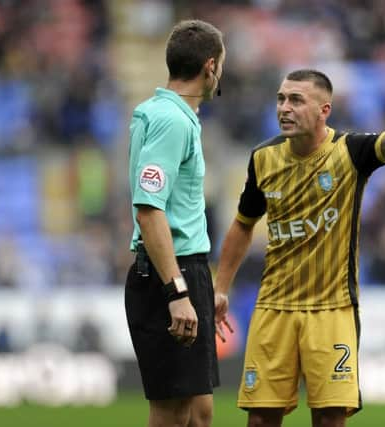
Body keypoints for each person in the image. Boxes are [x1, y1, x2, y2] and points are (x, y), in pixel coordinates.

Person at [214, 64, 385, 427]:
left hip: (331, 310)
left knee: (330, 419)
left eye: (296, 100)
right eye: (281, 99)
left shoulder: (350, 152)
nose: (284, 108)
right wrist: (221, 287)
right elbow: (242, 225)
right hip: (274, 308)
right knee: (260, 420)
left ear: (323, 110)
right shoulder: (262, 158)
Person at [125, 20, 225, 427]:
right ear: (210, 67)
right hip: (172, 273)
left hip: (187, 270)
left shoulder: (162, 112)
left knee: (199, 412)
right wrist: (178, 291)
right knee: (172, 414)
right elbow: (149, 210)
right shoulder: (173, 122)